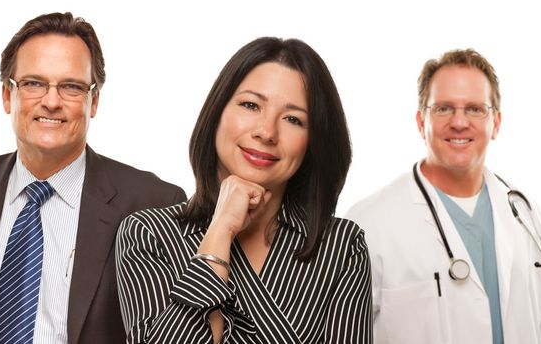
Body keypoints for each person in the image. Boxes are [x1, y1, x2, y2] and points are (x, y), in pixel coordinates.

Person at [0, 12, 185, 344]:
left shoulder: (154, 204)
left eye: (71, 87)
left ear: (94, 101)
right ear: (7, 95)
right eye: (33, 83)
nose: (51, 101)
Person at [117, 37, 371, 344]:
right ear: (217, 113)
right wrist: (221, 230)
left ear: (313, 141)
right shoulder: (149, 234)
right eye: (250, 105)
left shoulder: (341, 246)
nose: (266, 132)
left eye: (293, 119)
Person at [345, 49, 541, 343]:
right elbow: (346, 331)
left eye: (475, 109)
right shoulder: (368, 223)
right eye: (443, 108)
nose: (460, 122)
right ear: (420, 122)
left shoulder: (523, 210)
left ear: (496, 124)